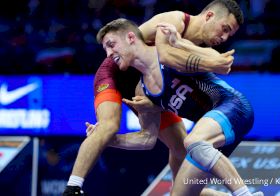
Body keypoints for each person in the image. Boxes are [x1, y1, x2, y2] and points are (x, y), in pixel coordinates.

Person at [64, 0, 250, 195]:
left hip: (150, 85)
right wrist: (213, 60)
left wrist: (210, 59)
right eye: (225, 28)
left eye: (230, 33)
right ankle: (73, 187)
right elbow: (161, 54)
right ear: (210, 16)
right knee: (108, 127)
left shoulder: (183, 46)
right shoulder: (173, 22)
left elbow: (147, 139)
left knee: (183, 151)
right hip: (117, 74)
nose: (225, 37)